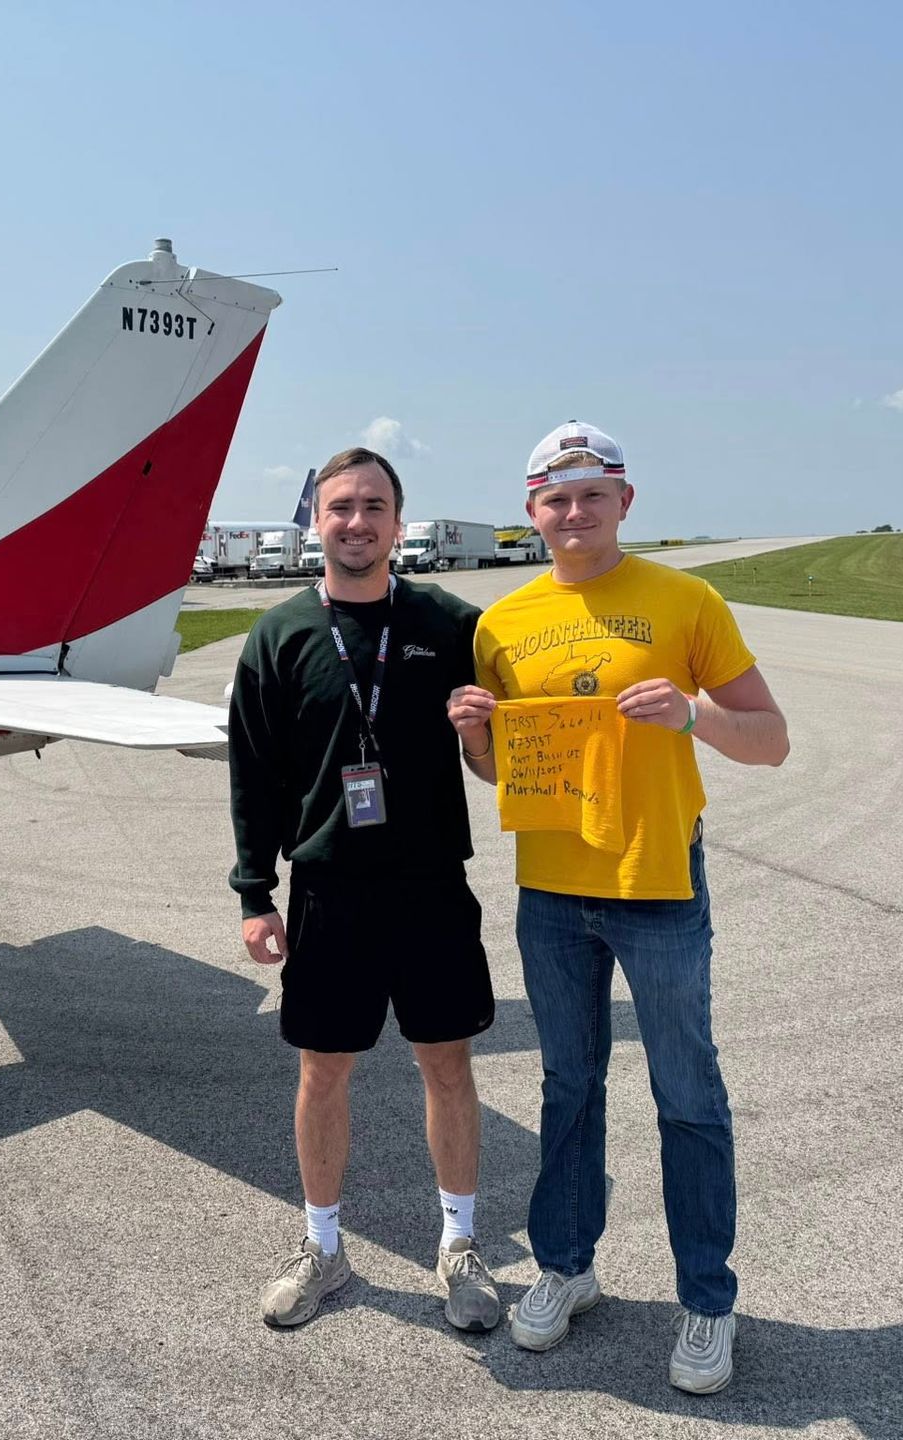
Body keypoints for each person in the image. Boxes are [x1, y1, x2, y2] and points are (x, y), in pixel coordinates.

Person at [448, 421, 789, 1393]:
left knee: (688, 1097)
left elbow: (770, 738)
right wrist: (474, 734)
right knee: (568, 1089)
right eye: (556, 497)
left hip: (657, 888)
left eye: (593, 493)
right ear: (531, 512)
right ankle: (565, 1268)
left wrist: (693, 714)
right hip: (553, 892)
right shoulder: (502, 623)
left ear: (625, 502)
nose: (574, 511)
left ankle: (707, 1304)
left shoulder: (686, 601)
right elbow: (496, 768)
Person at [229, 446, 499, 1332]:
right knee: (322, 1071)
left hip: (430, 883)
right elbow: (255, 774)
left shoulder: (452, 623)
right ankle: (324, 1249)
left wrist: (483, 735)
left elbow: (498, 760)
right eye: (340, 506)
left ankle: (459, 1247)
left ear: (398, 519)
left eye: (374, 505)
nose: (356, 521)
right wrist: (253, 894)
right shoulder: (279, 636)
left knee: (448, 1067)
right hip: (329, 889)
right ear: (317, 519)